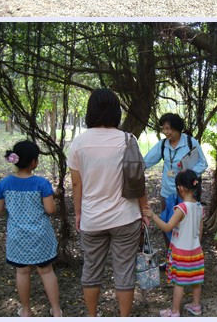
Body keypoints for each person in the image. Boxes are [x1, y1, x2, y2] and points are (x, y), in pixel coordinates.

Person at [68, 88, 150, 317]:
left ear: (90, 111)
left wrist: (78, 213)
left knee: (91, 270)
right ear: (116, 111)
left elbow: (77, 185)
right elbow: (138, 178)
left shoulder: (79, 143)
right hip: (126, 217)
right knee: (124, 271)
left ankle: (92, 317)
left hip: (92, 218)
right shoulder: (128, 139)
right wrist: (145, 209)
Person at [0, 140, 62, 317]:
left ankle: (26, 311)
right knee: (46, 271)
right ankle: (56, 310)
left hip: (17, 237)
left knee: (22, 272)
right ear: (33, 162)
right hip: (40, 236)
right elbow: (50, 210)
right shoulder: (42, 184)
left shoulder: (4, 184)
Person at [143, 169, 204, 317]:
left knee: (179, 282)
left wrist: (153, 215)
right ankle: (196, 306)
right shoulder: (199, 207)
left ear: (180, 188)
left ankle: (175, 311)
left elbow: (167, 227)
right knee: (196, 280)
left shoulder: (182, 208)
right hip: (196, 250)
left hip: (181, 252)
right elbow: (199, 233)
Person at [143, 113, 209, 244]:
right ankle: (171, 255)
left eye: (168, 128)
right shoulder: (163, 145)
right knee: (166, 223)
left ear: (177, 128)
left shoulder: (190, 142)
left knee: (186, 225)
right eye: (163, 128)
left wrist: (188, 174)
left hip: (186, 194)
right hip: (167, 193)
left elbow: (203, 163)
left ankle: (186, 253)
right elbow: (145, 162)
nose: (165, 132)